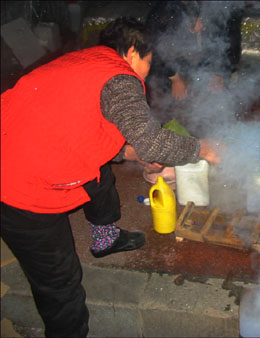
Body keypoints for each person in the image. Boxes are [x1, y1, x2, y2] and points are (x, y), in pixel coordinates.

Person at [1, 17, 220, 337]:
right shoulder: (120, 77)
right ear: (132, 54)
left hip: (19, 146)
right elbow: (154, 142)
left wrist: (131, 153)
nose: (147, 70)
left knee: (99, 174)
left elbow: (83, 128)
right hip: (19, 183)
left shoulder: (85, 60)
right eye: (148, 62)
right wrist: (205, 149)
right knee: (60, 282)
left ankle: (106, 238)